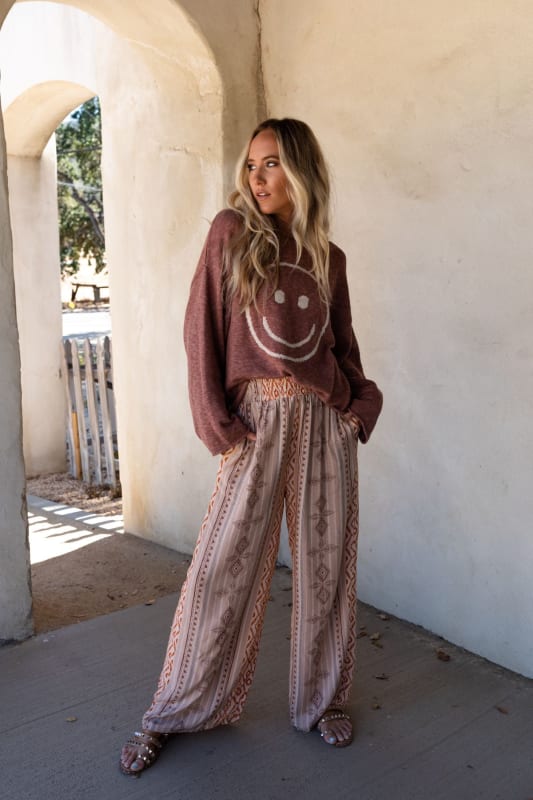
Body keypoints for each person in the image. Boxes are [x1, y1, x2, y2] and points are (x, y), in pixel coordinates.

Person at [120, 118, 383, 775]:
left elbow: (343, 349)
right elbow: (200, 332)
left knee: (326, 569)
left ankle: (321, 703)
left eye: (271, 164)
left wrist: (356, 412)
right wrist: (218, 423)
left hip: (323, 422)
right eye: (251, 165)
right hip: (256, 419)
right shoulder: (231, 233)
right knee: (221, 568)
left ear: (300, 171)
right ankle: (172, 710)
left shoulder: (329, 257)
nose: (257, 178)